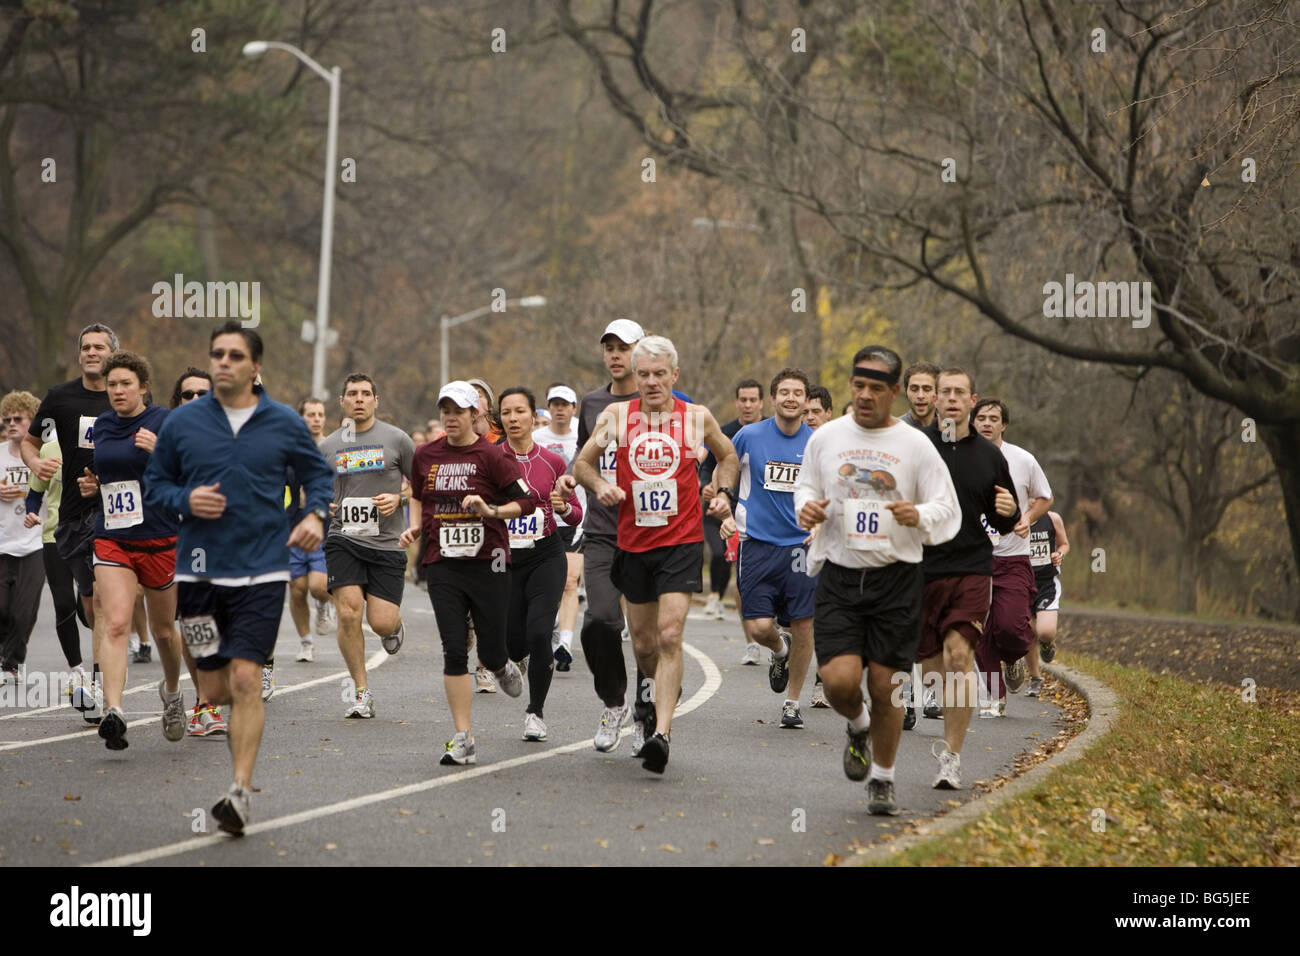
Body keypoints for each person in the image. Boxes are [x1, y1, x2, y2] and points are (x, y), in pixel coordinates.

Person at [144, 321, 333, 834]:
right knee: (213, 686)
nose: (223, 362)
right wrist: (186, 499)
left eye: (234, 355)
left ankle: (239, 792)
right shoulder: (184, 424)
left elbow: (318, 475)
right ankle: (204, 696)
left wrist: (316, 515)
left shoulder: (283, 422)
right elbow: (155, 483)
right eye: (217, 355)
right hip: (199, 572)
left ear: (255, 367)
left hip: (262, 570)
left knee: (247, 679)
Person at [794, 346, 960, 815]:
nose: (865, 395)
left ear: (894, 392)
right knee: (838, 682)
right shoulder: (827, 437)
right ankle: (857, 724)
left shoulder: (915, 445)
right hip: (840, 577)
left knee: (888, 686)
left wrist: (918, 514)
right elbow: (806, 486)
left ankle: (883, 779)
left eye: (875, 388)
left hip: (896, 580)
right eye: (858, 386)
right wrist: (805, 507)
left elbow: (946, 508)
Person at [573, 334, 738, 773]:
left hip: (681, 543)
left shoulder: (696, 418)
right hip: (633, 544)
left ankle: (661, 734)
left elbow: (728, 457)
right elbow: (582, 464)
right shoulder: (616, 417)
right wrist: (601, 485)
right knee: (645, 644)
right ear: (635, 375)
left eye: (659, 374)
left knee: (668, 636)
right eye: (643, 374)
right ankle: (652, 695)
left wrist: (724, 493)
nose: (651, 382)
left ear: (674, 375)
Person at [400, 381, 531, 765]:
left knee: (490, 651)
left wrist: (491, 511)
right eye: (445, 411)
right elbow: (418, 496)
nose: (450, 418)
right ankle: (464, 738)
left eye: (458, 411)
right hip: (443, 563)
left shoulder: (492, 456)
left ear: (475, 414)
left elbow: (525, 502)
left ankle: (501, 664)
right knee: (454, 650)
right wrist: (415, 527)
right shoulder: (425, 455)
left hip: (489, 562)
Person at [913, 369, 1019, 789]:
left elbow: (1004, 520)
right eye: (946, 392)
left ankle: (951, 757)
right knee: (931, 666)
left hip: (972, 568)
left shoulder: (990, 456)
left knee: (958, 657)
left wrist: (1010, 511)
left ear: (972, 400)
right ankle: (946, 701)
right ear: (935, 399)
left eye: (960, 392)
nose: (952, 399)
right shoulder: (916, 447)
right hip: (921, 569)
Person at [79, 351, 186, 749]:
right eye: (112, 385)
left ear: (143, 387)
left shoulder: (166, 422)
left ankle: (172, 692)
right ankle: (114, 711)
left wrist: (161, 451)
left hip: (159, 538)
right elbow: (110, 474)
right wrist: (93, 486)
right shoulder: (102, 425)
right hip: (113, 537)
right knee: (116, 622)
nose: (118, 391)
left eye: (126, 384)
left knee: (164, 631)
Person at [553, 319, 649, 753]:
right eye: (609, 347)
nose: (615, 355)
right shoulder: (592, 402)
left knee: (646, 635)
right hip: (603, 531)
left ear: (640, 352)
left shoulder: (657, 401)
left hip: (649, 532)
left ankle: (646, 715)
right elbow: (584, 452)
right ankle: (614, 702)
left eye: (623, 348)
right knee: (601, 622)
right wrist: (574, 477)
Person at [21, 323, 116, 722]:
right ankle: (90, 673)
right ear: (79, 355)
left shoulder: (122, 396)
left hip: (113, 517)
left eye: (99, 347)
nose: (91, 352)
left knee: (101, 605)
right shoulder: (60, 398)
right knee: (82, 606)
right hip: (71, 519)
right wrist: (35, 463)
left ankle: (99, 683)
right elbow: (29, 442)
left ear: (113, 354)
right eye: (86, 347)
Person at [718, 369, 817, 728]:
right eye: (784, 392)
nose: (791, 398)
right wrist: (723, 505)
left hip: (801, 545)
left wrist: (822, 525)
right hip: (757, 544)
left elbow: (832, 490)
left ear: (806, 400)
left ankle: (792, 702)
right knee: (759, 627)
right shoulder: (749, 435)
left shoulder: (817, 443)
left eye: (798, 393)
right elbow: (724, 467)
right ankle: (779, 649)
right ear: (773, 399)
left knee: (803, 624)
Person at [318, 374, 414, 718]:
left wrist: (399, 498)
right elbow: (309, 490)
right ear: (342, 401)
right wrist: (322, 503)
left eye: (365, 394)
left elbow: (420, 485)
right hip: (343, 538)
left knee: (381, 623)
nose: (358, 399)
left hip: (387, 542)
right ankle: (361, 692)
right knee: (348, 612)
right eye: (352, 394)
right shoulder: (327, 447)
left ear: (376, 401)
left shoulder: (398, 439)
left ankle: (394, 627)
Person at [500, 387, 583, 740]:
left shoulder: (552, 461)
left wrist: (563, 507)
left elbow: (576, 514)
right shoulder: (489, 459)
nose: (513, 418)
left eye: (520, 411)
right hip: (504, 559)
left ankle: (535, 713)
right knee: (513, 643)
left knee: (538, 633)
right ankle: (512, 659)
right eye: (506, 412)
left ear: (533, 417)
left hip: (546, 554)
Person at [971, 397, 1052, 716]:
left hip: (1013, 556)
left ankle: (1014, 656)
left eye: (994, 418)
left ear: (1003, 425)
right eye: (981, 418)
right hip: (975, 558)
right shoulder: (962, 457)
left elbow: (1045, 497)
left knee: (1012, 629)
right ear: (972, 422)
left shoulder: (1023, 459)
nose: (987, 423)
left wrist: (1027, 518)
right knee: (979, 630)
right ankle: (996, 696)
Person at [164, 368, 229, 738]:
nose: (194, 400)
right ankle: (204, 703)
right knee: (190, 623)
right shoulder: (163, 438)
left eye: (203, 394)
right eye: (187, 395)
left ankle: (204, 698)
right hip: (174, 541)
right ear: (177, 402)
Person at [699, 379, 764, 641]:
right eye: (743, 400)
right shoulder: (724, 431)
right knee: (729, 559)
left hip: (757, 511)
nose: (747, 405)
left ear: (762, 403)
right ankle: (749, 639)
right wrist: (705, 485)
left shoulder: (770, 429)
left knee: (749, 569)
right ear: (737, 402)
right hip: (724, 508)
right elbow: (707, 466)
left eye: (752, 400)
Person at [532, 383, 583, 672]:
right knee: (547, 584)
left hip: (576, 517)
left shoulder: (583, 436)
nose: (560, 409)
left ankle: (564, 643)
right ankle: (550, 626)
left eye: (565, 404)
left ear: (574, 408)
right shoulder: (537, 438)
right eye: (555, 404)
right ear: (549, 407)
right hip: (543, 519)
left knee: (569, 582)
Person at [285, 397, 335, 671]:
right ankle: (306, 641)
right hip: (294, 526)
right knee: (297, 588)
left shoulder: (332, 449)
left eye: (320, 414)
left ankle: (324, 604)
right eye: (311, 414)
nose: (316, 419)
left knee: (318, 586)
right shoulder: (290, 449)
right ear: (301, 418)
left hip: (324, 528)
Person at [1, 391, 46, 683]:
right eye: (7, 420)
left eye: (18, 419)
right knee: (2, 610)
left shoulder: (43, 455)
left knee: (23, 611)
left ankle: (12, 664)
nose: (12, 424)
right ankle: (5, 651)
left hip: (34, 543)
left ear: (32, 421)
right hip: (2, 542)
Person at [801, 383, 834, 710]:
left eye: (815, 412)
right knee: (795, 621)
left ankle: (821, 680)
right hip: (789, 541)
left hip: (830, 543)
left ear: (828, 413)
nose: (809, 417)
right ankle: (786, 652)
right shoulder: (790, 443)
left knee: (822, 615)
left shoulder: (837, 448)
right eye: (805, 412)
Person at [1027, 510, 1069, 696]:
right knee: (1028, 634)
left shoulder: (1052, 518)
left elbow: (1064, 544)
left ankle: (1046, 643)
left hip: (1046, 584)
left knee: (1045, 631)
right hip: (1022, 583)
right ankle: (1035, 677)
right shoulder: (1015, 519)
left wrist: (1059, 554)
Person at [899, 362, 940, 429]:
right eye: (914, 389)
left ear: (938, 393)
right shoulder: (895, 430)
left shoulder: (950, 430)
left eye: (927, 389)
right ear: (906, 392)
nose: (920, 396)